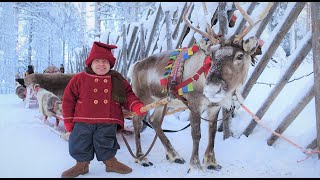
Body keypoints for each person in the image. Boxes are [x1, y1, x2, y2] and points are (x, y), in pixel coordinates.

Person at [61, 41, 147, 178]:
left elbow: (128, 95)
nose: (102, 64)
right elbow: (68, 100)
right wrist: (68, 121)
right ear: (90, 63)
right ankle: (81, 165)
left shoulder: (117, 79)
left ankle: (110, 163)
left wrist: (136, 105)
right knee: (80, 142)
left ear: (110, 64)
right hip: (83, 119)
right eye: (98, 61)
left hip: (108, 119)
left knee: (106, 142)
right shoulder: (79, 78)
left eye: (105, 62)